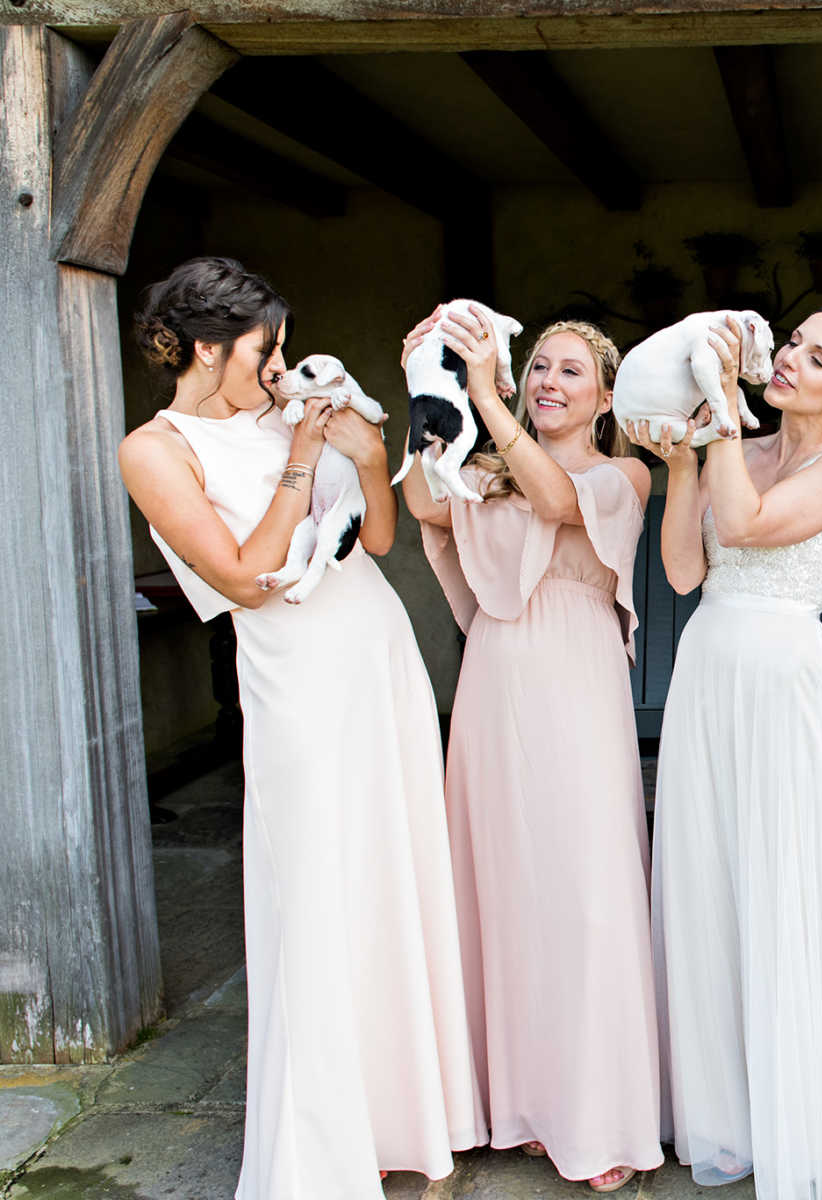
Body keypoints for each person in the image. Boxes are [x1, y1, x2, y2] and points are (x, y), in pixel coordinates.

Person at [118, 257, 484, 1198]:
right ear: (206, 349)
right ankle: (326, 1136)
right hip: (291, 672)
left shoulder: (287, 404)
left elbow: (386, 537)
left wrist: (360, 447)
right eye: (262, 348)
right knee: (315, 882)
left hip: (373, 650)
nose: (279, 365)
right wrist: (294, 458)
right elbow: (244, 574)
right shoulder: (155, 449)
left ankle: (409, 1113)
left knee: (388, 866)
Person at [639, 301, 822, 1200]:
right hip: (709, 669)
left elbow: (746, 529)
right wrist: (684, 465)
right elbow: (683, 572)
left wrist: (717, 408)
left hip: (784, 677)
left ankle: (800, 1113)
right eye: (790, 343)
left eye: (814, 357)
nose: (787, 360)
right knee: (708, 881)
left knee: (782, 882)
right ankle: (725, 1119)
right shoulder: (734, 452)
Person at [401, 309, 660, 1194]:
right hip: (493, 681)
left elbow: (557, 501)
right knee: (499, 885)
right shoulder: (486, 467)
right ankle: (511, 1105)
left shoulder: (622, 472)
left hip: (576, 680)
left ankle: (597, 1115)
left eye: (569, 372)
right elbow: (423, 501)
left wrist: (487, 396)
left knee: (587, 893)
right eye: (537, 366)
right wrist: (429, 387)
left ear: (605, 397)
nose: (550, 381)